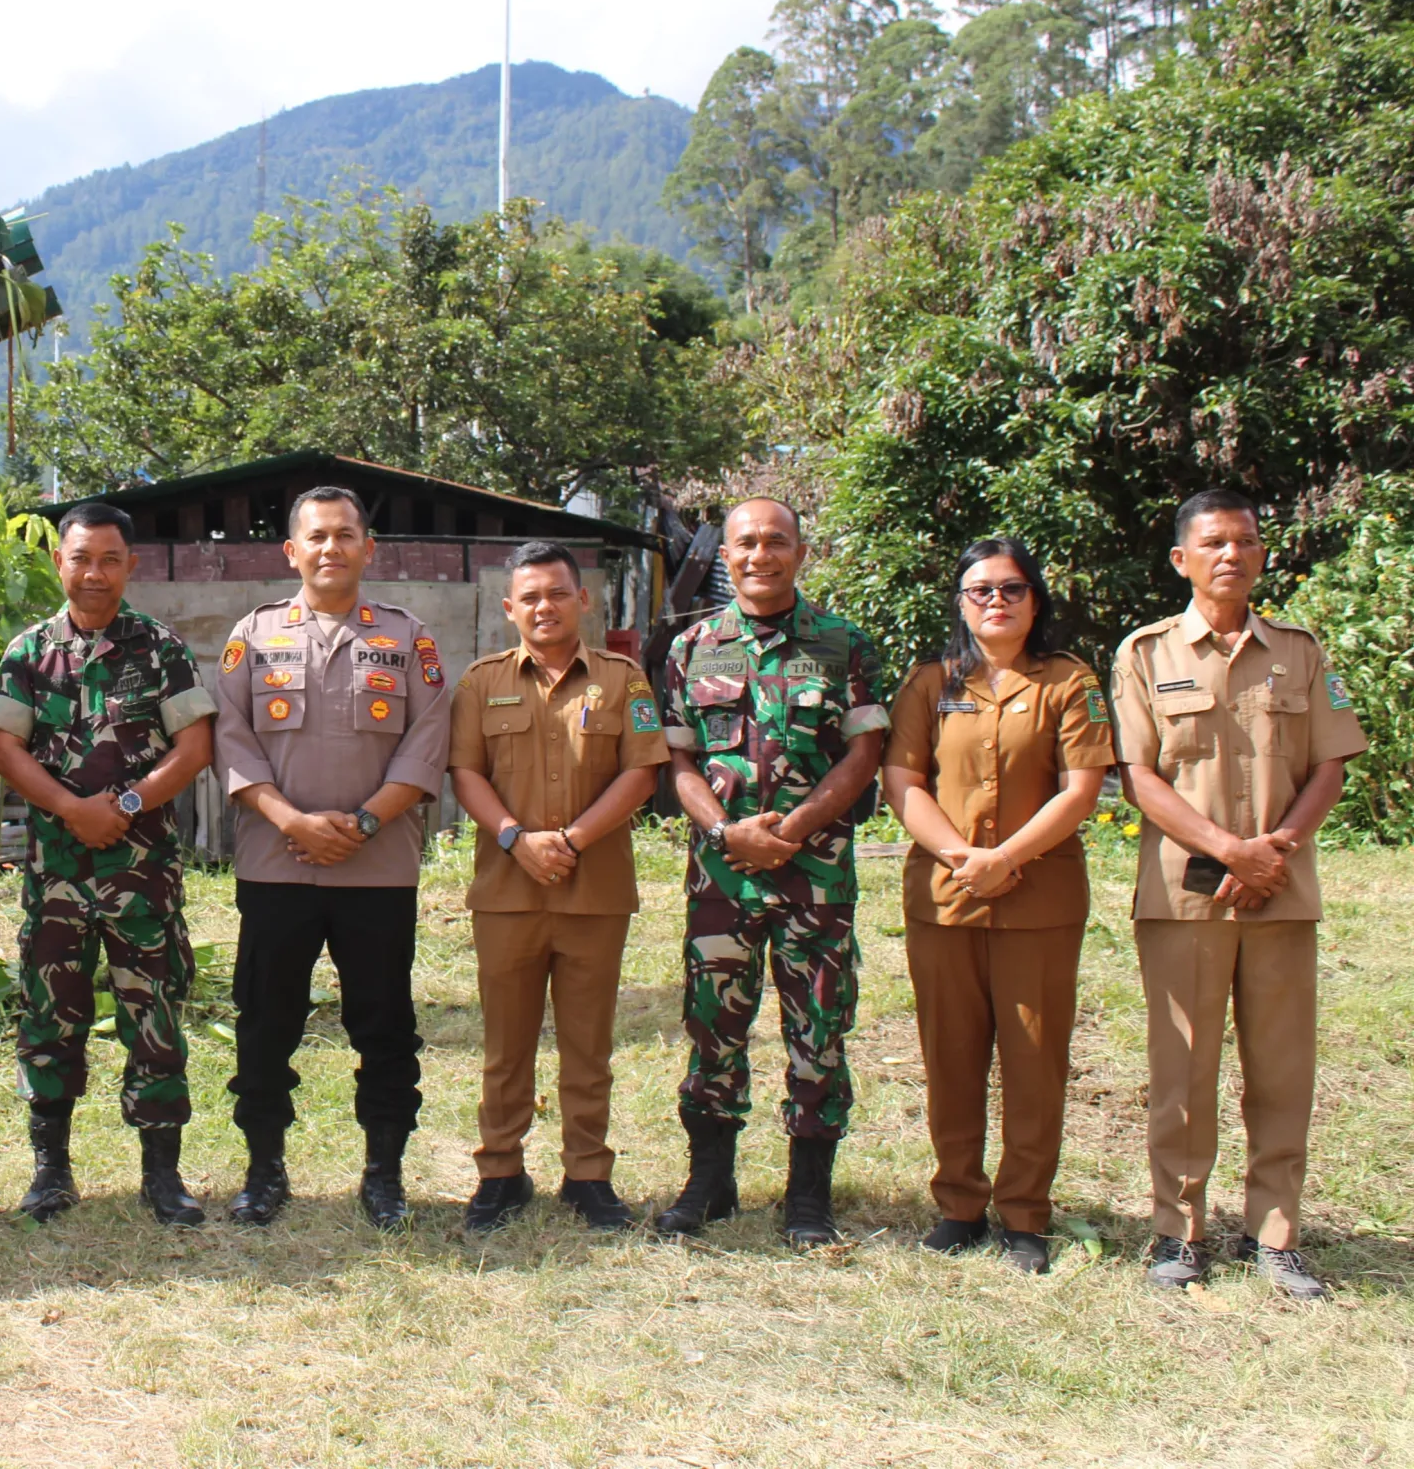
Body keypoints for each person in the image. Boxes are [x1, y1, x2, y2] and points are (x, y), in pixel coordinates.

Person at [1113, 490, 1362, 1300]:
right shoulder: (1146, 654)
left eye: (1246, 542)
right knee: (1183, 1067)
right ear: (1181, 559)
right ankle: (1176, 1231)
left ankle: (1276, 1233)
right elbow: (1138, 774)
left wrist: (1274, 850)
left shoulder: (1298, 650)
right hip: (1185, 897)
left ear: (1262, 556)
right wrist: (1228, 850)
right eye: (1213, 542)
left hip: (1280, 892)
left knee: (1283, 1068)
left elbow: (1330, 762)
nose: (1232, 555)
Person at [210, 486, 453, 1230]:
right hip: (276, 861)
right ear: (292, 551)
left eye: (346, 535)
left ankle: (384, 1173)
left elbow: (429, 738)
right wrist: (294, 820)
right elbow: (229, 736)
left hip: (376, 868)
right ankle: (263, 1170)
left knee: (383, 1020)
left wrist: (361, 821)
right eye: (316, 536)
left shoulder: (409, 638)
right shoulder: (251, 636)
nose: (330, 548)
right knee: (265, 1017)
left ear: (368, 548)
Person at [655, 497, 888, 1247]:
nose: (761, 554)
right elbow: (678, 760)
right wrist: (727, 831)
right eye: (746, 543)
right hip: (721, 878)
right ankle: (710, 1182)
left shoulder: (841, 644)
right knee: (714, 1026)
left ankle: (808, 1196)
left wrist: (795, 827)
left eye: (776, 541)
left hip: (812, 876)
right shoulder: (692, 647)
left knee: (817, 1027)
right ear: (725, 555)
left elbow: (864, 752)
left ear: (801, 550)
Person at [0, 502, 218, 1226]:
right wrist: (70, 808)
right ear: (60, 562)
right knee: (50, 1013)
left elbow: (195, 746)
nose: (94, 572)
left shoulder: (161, 648)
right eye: (81, 557)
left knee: (154, 1013)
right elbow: (4, 748)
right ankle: (51, 1169)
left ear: (129, 565)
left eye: (109, 558)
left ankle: (162, 1173)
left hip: (142, 872)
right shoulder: (28, 653)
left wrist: (128, 800)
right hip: (56, 870)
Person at [881, 540, 1113, 1275]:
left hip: (1037, 900)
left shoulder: (1069, 681)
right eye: (980, 589)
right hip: (944, 901)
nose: (996, 601)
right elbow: (902, 779)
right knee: (949, 1054)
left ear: (1035, 600)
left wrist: (1004, 858)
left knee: (1034, 1059)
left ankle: (1024, 1215)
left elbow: (1081, 788)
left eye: (1012, 589)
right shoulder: (929, 683)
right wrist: (960, 856)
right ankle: (958, 1205)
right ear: (960, 601)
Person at [445, 542, 668, 1235]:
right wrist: (515, 837)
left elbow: (642, 772)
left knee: (587, 1039)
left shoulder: (623, 681)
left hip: (593, 890)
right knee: (505, 1043)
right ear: (510, 607)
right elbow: (465, 774)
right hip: (507, 891)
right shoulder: (480, 682)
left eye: (558, 593)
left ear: (584, 601)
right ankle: (500, 1171)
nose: (545, 606)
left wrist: (570, 841)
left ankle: (589, 1173)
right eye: (531, 596)